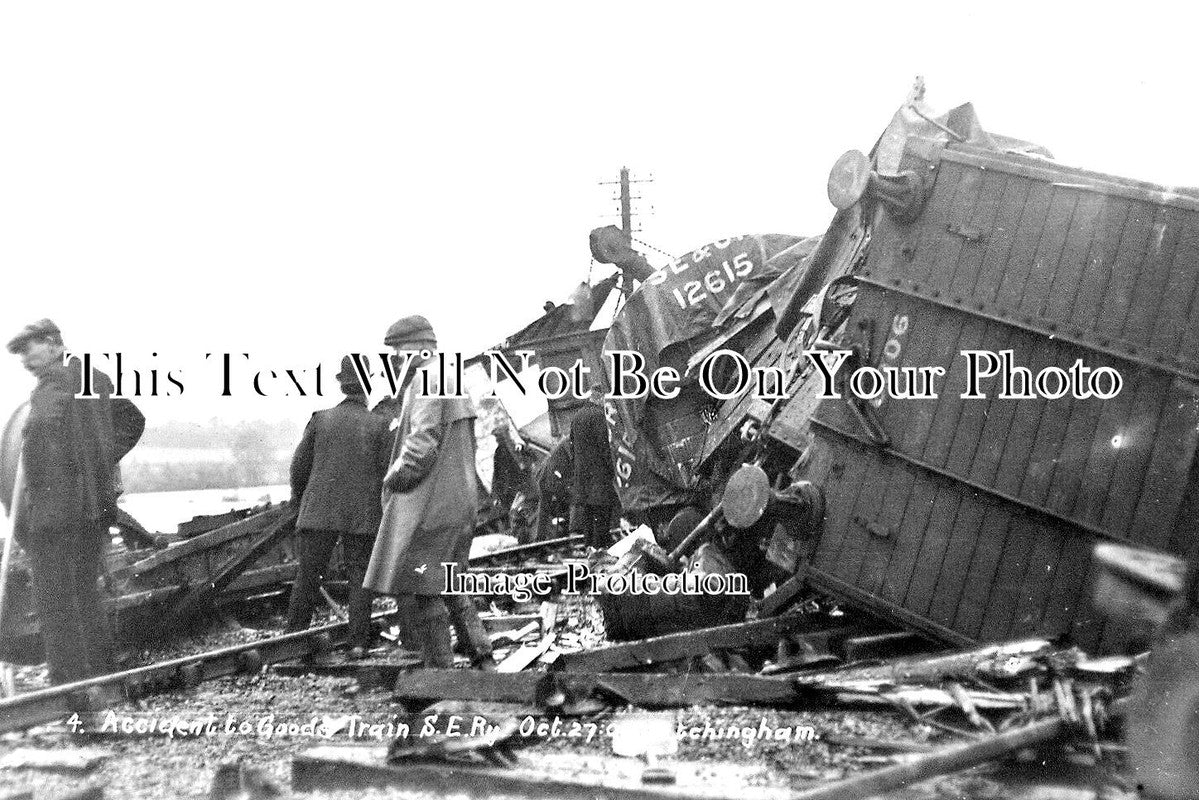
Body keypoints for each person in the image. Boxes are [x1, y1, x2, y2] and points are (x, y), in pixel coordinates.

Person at [6, 319, 145, 685]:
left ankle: (67, 682)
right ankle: (101, 673)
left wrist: (30, 509)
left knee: (54, 600)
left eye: (28, 350)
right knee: (85, 592)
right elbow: (133, 418)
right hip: (94, 508)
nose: (23, 360)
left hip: (55, 512)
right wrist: (99, 460)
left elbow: (36, 437)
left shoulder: (52, 384)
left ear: (53, 345)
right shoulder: (94, 378)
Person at [364, 316, 493, 669]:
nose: (392, 360)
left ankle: (441, 673)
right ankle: (482, 657)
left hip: (432, 504)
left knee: (422, 588)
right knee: (449, 582)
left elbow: (421, 447)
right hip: (459, 499)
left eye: (395, 352)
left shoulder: (425, 380)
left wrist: (391, 480)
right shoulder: (451, 377)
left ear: (414, 348)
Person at [285, 356, 392, 657]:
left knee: (307, 575)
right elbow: (386, 472)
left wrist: (300, 498)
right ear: (367, 384)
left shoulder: (320, 419)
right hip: (363, 514)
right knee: (360, 576)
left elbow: (299, 466)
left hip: (318, 511)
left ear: (342, 384)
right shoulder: (380, 425)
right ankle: (357, 644)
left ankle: (291, 642)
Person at [568, 386, 620, 550]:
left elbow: (571, 445)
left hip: (582, 475)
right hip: (598, 473)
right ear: (600, 397)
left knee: (589, 513)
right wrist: (612, 468)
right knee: (602, 511)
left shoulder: (576, 417)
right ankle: (600, 548)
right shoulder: (598, 415)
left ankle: (589, 546)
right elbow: (604, 444)